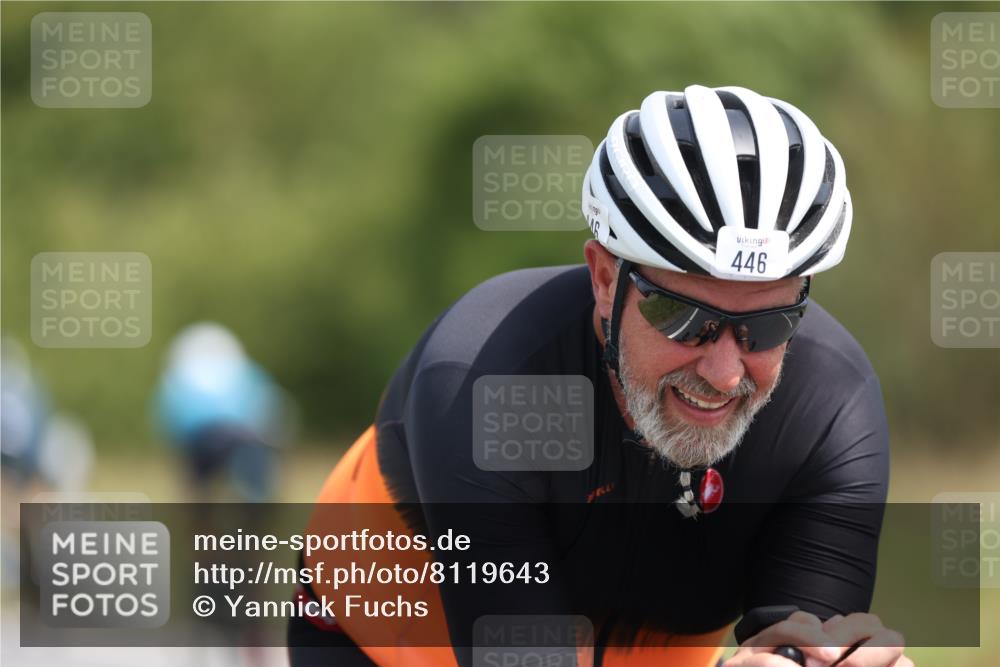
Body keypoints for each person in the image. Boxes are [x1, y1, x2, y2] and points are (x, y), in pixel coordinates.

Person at [290, 85, 912, 667]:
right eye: (683, 317)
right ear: (606, 279)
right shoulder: (491, 380)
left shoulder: (832, 409)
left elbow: (802, 648)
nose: (724, 375)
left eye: (770, 326)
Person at [153, 322, 289, 502]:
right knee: (255, 486)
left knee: (199, 491)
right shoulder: (246, 370)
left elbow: (166, 416)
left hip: (197, 441)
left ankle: (203, 520)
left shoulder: (177, 376)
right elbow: (268, 403)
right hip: (240, 438)